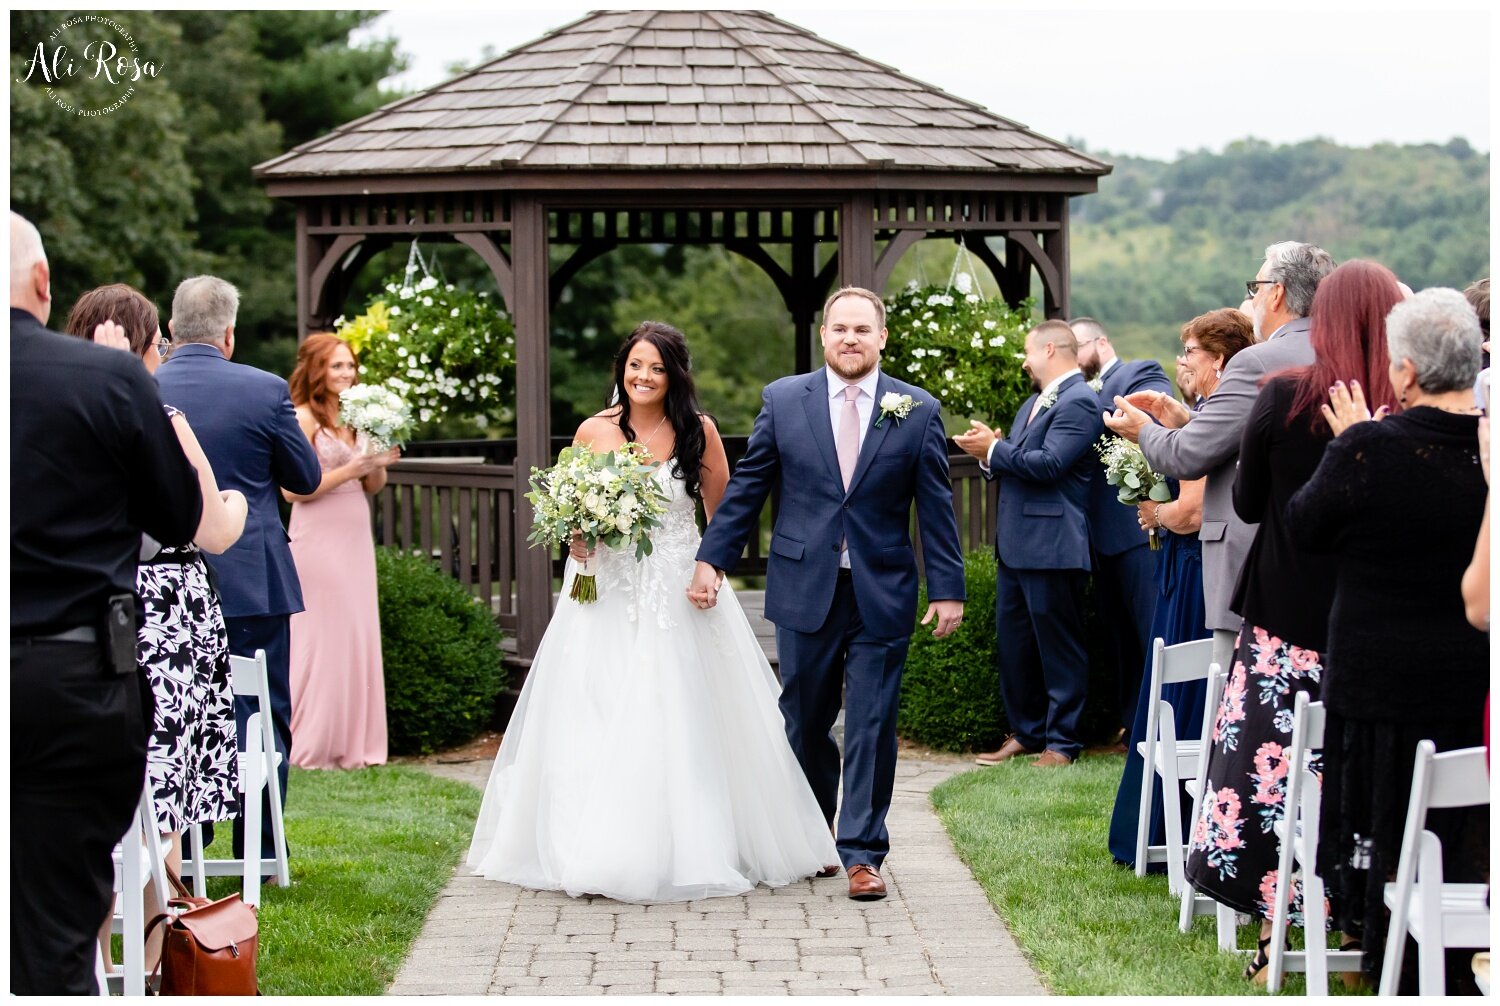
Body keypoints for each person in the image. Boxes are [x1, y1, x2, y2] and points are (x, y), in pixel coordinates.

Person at [469, 321, 839, 902]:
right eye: (635, 365)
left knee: (682, 709)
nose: (643, 377)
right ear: (622, 368)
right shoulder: (592, 431)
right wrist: (576, 538)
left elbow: (726, 516)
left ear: (674, 375)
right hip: (603, 591)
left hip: (676, 585)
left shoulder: (699, 432)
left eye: (657, 368)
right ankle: (590, 845)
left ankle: (698, 843)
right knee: (594, 706)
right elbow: (569, 516)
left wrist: (712, 571)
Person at [693, 288, 967, 900]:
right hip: (804, 585)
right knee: (805, 719)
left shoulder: (916, 409)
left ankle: (863, 852)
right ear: (824, 335)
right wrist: (712, 558)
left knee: (871, 721)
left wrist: (948, 588)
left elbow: (937, 507)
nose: (851, 339)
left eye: (862, 330)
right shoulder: (785, 399)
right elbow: (749, 489)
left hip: (883, 588)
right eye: (840, 328)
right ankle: (810, 835)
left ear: (881, 338)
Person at [1184, 261, 1404, 982]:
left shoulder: (1280, 396)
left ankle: (1281, 934)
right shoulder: (1404, 413)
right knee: (1353, 779)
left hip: (1284, 622)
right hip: (1370, 623)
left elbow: (1246, 502)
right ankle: (1360, 927)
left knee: (1276, 786)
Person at [9, 213, 202, 993]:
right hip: (70, 676)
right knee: (57, 931)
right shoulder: (109, 379)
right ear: (44, 282)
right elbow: (179, 516)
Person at [1289, 287, 1489, 990]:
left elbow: (1303, 527)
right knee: (1466, 822)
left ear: (1403, 372)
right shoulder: (1488, 451)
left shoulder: (1370, 449)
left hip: (1380, 680)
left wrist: (1346, 442)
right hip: (1474, 679)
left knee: (1383, 819)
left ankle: (1382, 956)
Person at [63, 284, 250, 969]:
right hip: (169, 614)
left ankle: (94, 962)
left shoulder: (51, 413)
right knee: (160, 794)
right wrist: (231, 498)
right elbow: (213, 529)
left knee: (103, 793)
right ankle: (146, 963)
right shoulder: (159, 418)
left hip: (91, 603)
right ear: (148, 348)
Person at [1104, 241, 1336, 679]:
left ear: (1277, 293)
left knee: (1235, 688)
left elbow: (1191, 456)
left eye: (1257, 285)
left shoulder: (1257, 362)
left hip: (1251, 562)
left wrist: (1144, 431)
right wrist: (1185, 417)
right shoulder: (1341, 354)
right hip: (1322, 561)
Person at [155, 276, 322, 865]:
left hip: (169, 587)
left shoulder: (144, 388)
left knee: (184, 713)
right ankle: (262, 850)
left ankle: (187, 850)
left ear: (173, 328)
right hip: (253, 579)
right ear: (229, 333)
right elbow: (304, 479)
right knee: (263, 712)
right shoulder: (264, 389)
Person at [1107, 309, 1254, 867]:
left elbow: (1192, 511)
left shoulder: (1221, 412)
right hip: (1188, 567)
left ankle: (1165, 831)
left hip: (1197, 571)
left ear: (1217, 360)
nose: (1181, 362)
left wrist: (1152, 512)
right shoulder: (1212, 412)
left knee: (1184, 689)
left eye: (1189, 352)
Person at [955, 320, 1101, 768]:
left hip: (1055, 545)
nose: (1024, 360)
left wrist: (994, 452)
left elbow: (1050, 464)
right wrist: (991, 455)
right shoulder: (1032, 403)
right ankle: (1026, 732)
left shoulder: (1080, 402)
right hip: (1016, 545)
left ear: (1051, 349)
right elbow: (1019, 462)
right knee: (1016, 646)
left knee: (1058, 647)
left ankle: (1062, 742)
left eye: (1028, 351)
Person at [283, 333, 400, 769]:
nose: (346, 374)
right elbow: (293, 490)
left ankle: (357, 743)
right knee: (320, 634)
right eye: (336, 366)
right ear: (317, 369)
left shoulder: (357, 415)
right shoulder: (303, 418)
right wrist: (353, 466)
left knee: (356, 630)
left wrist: (376, 465)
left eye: (350, 366)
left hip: (354, 527)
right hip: (317, 532)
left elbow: (371, 485)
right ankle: (311, 739)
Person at [1072, 316, 1174, 738]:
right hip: (1097, 536)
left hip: (1138, 530)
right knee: (1120, 641)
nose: (1070, 356)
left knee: (1150, 632)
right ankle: (1133, 727)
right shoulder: (1072, 391)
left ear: (1102, 342)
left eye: (1075, 346)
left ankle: (1161, 726)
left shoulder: (1140, 371)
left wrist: (1074, 398)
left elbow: (1156, 416)